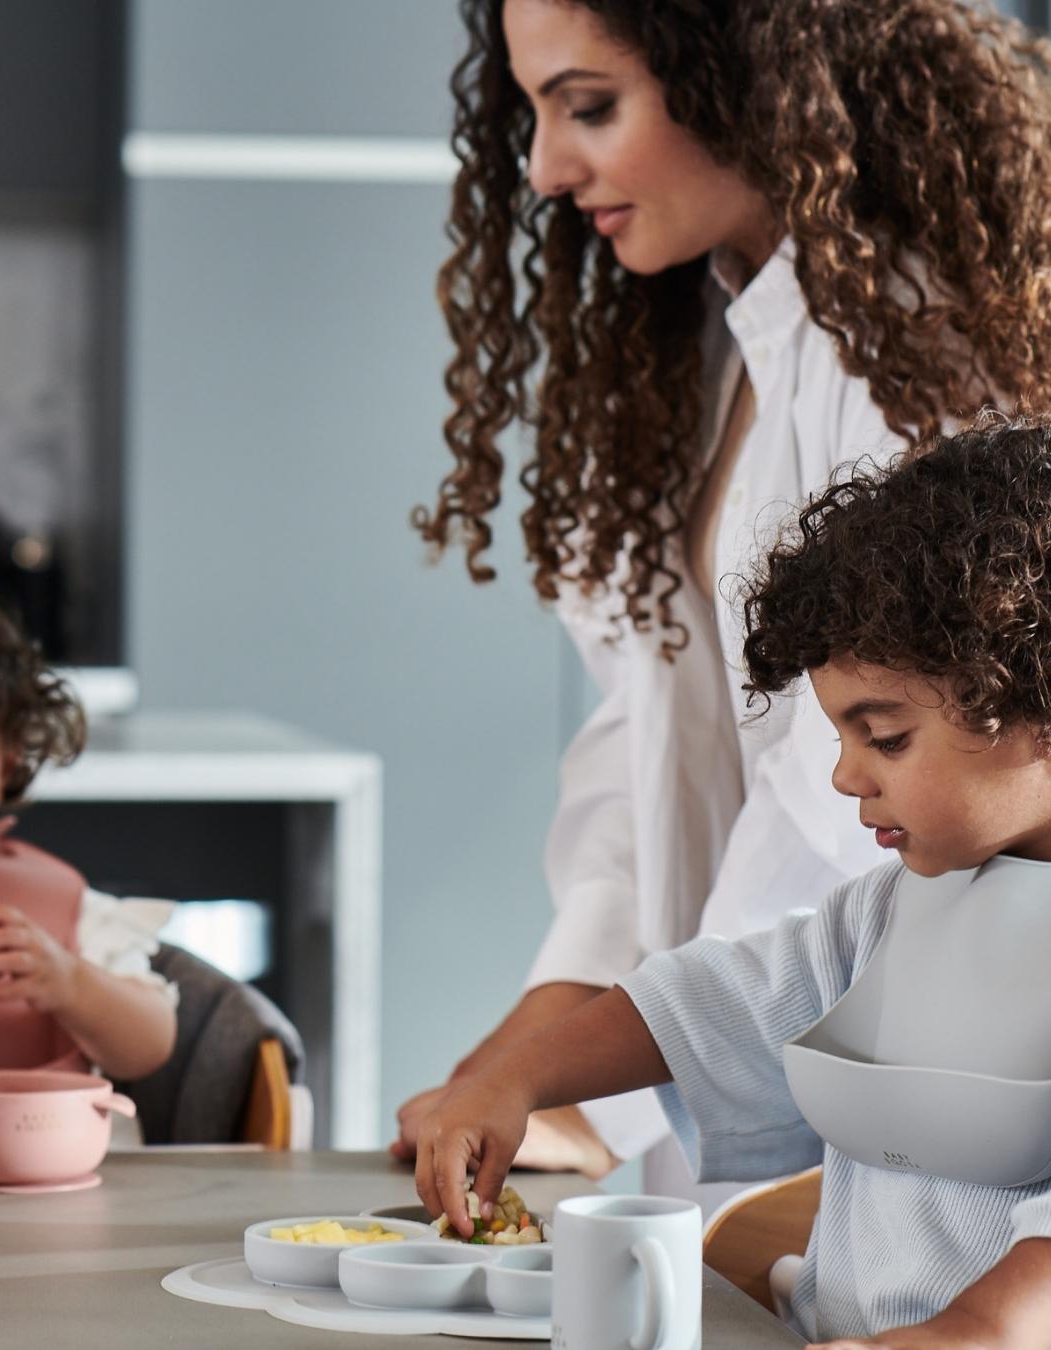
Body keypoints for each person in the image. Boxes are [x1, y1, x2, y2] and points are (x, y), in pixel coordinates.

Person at [394, 0, 1051, 1196]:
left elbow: (827, 805)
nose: (544, 167)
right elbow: (646, 747)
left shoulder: (906, 342)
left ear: (748, 71)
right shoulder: (702, 336)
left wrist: (612, 1084)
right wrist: (530, 1054)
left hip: (875, 1076)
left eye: (590, 107)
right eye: (535, 114)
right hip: (734, 1060)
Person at [416, 415, 1051, 1348]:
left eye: (885, 738)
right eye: (840, 737)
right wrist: (513, 1078)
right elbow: (714, 1002)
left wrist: (977, 1329)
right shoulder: (887, 915)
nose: (847, 776)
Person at [0, 588, 176, 1081]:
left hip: (36, 1155)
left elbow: (151, 1044)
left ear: (8, 764)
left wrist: (68, 983)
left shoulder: (53, 910)